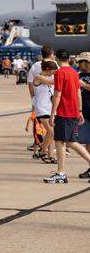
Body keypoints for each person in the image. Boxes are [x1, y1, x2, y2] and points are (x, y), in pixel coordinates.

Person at [43, 50, 90, 184]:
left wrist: (52, 114)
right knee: (70, 142)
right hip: (74, 111)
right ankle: (61, 172)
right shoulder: (75, 73)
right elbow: (78, 93)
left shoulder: (59, 73)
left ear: (57, 59)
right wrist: (79, 110)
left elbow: (57, 94)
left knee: (60, 142)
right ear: (69, 59)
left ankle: (61, 173)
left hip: (64, 112)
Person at [32, 60, 57, 164]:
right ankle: (42, 151)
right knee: (51, 132)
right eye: (53, 71)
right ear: (47, 69)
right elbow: (52, 82)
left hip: (50, 107)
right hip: (41, 108)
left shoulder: (51, 77)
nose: (54, 73)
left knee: (51, 134)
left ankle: (51, 155)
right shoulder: (38, 77)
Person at [75, 52, 90, 179]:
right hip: (84, 113)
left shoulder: (81, 79)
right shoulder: (79, 75)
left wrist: (83, 85)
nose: (79, 64)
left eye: (81, 62)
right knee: (87, 142)